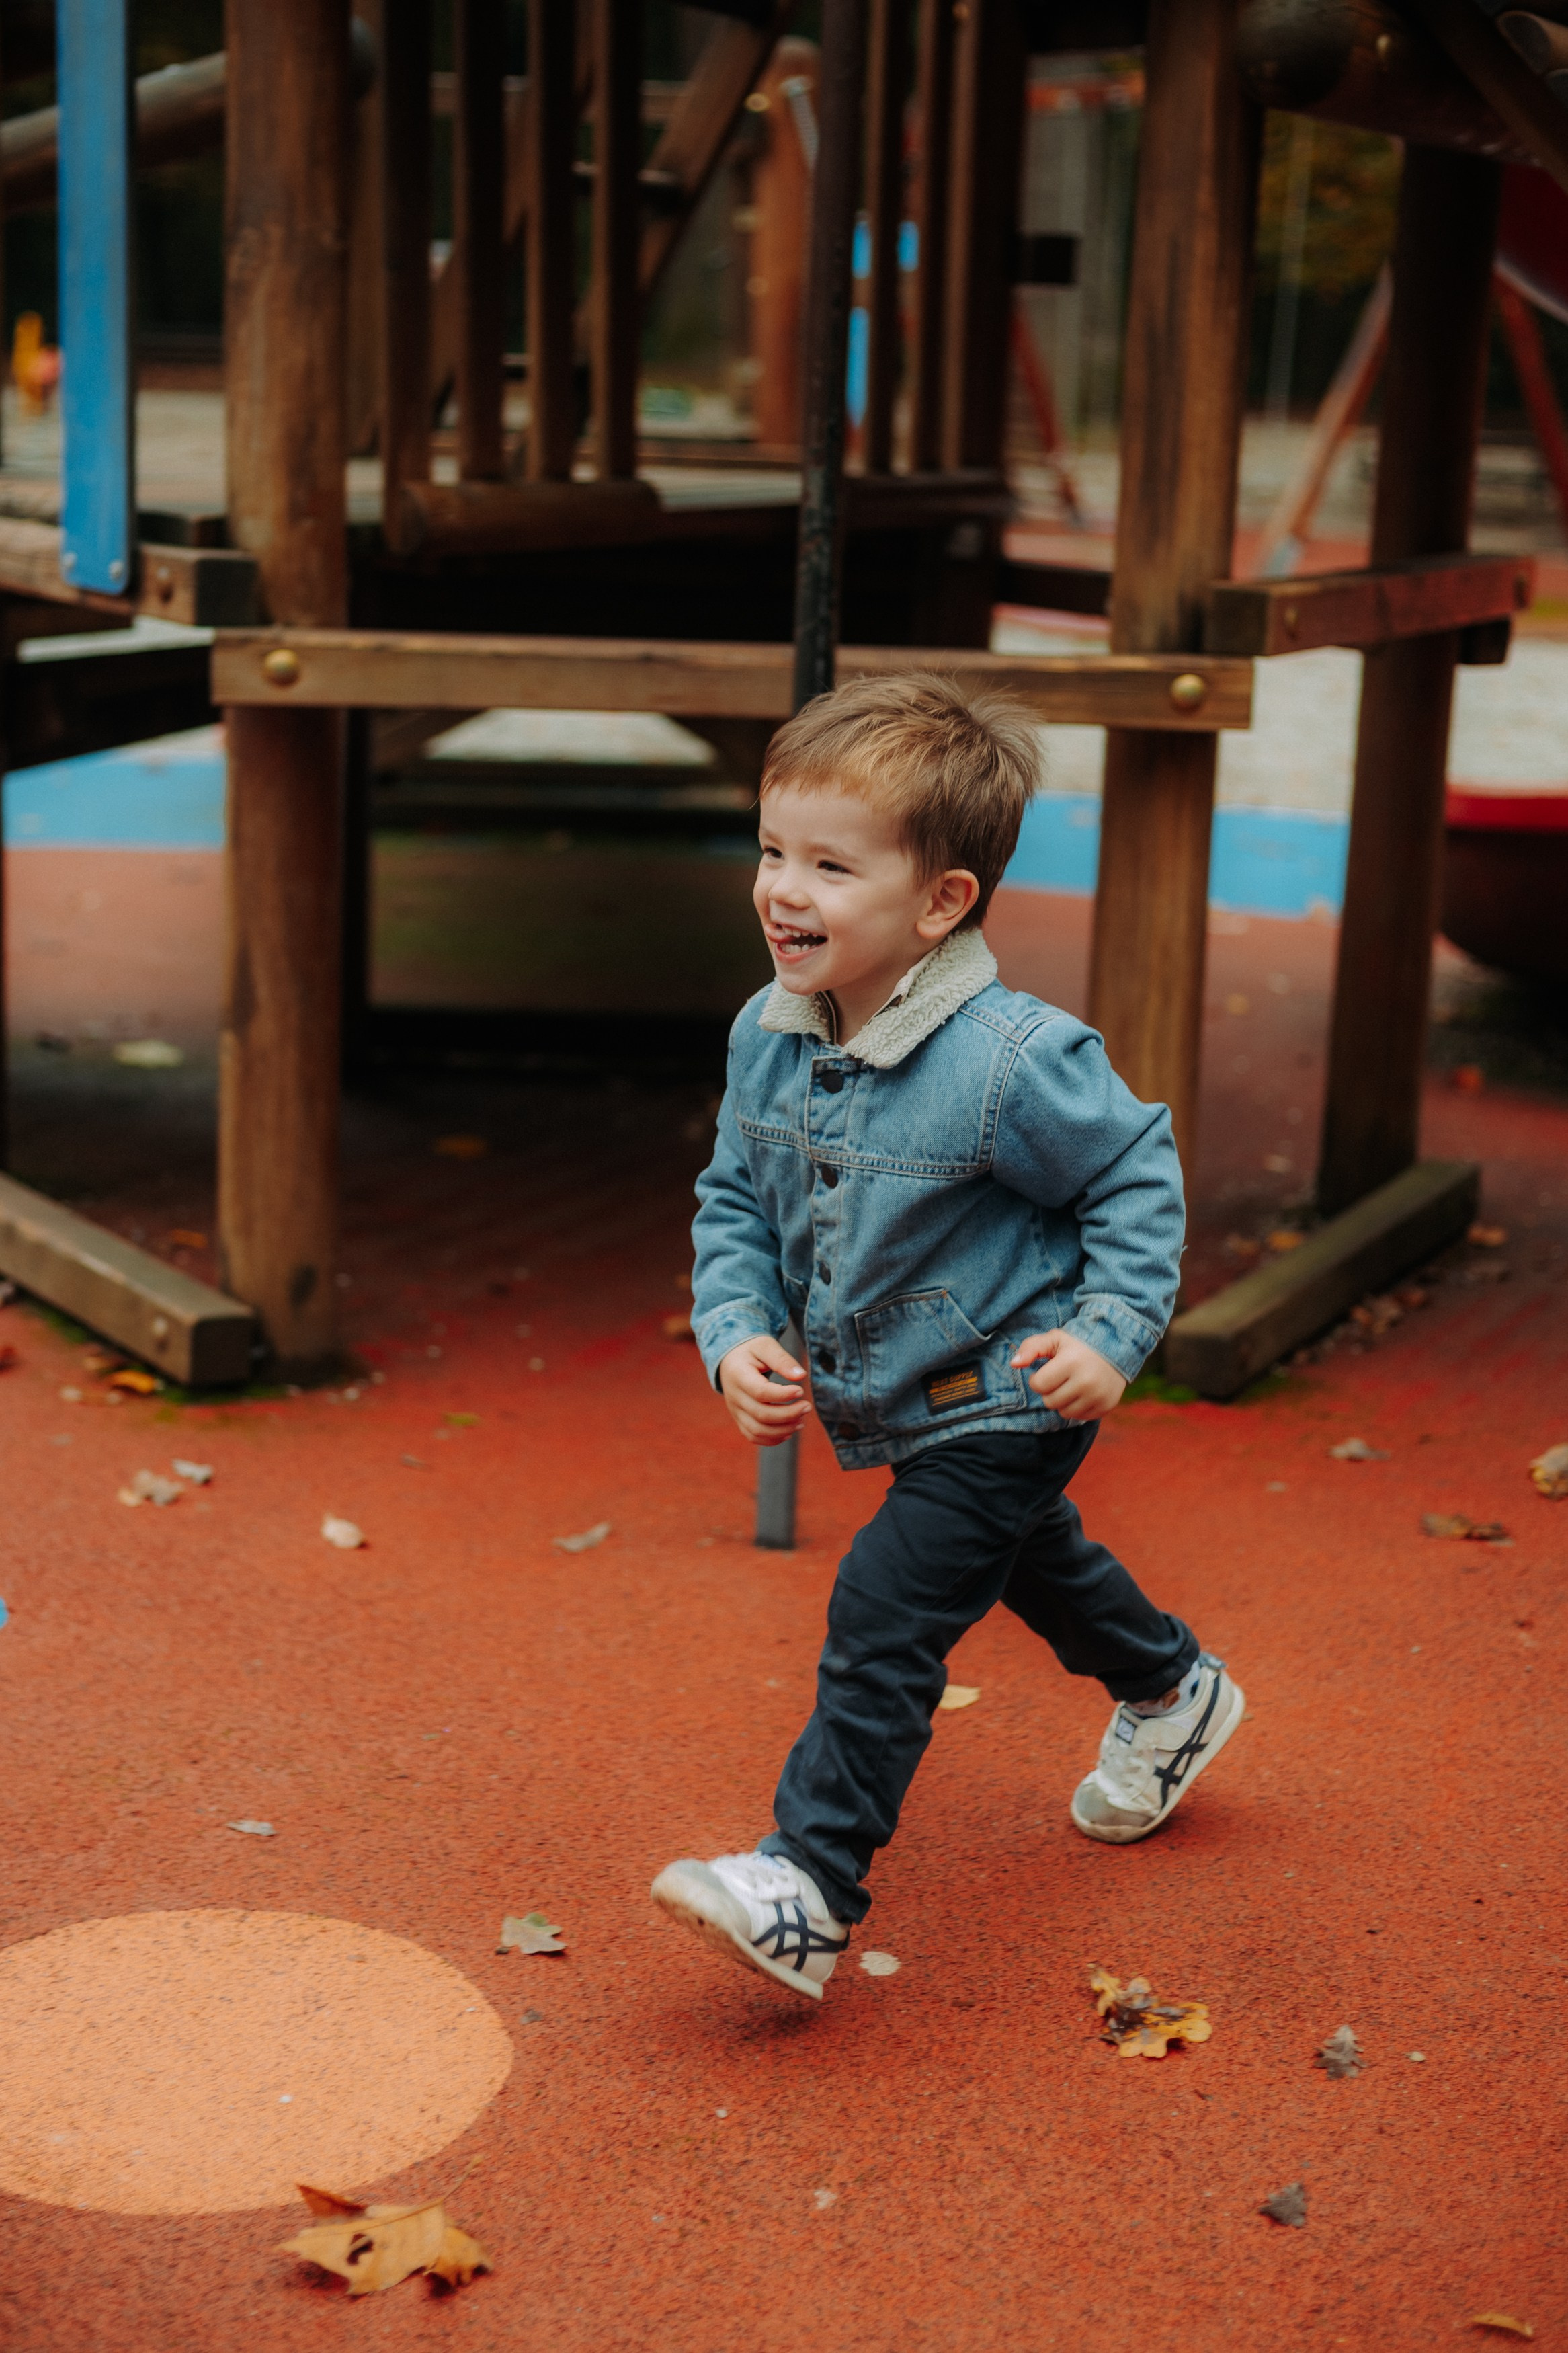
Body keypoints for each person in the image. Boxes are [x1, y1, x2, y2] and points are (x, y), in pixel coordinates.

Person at [651, 673, 1242, 2000]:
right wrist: (736, 1323)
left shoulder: (1006, 1061)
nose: (781, 890)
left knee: (886, 1610)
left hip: (1013, 1393)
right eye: (770, 850)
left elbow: (1134, 1174)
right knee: (1035, 1564)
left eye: (829, 865)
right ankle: (1173, 1688)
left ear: (940, 903)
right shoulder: (768, 1034)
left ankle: (810, 1882)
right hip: (908, 1398)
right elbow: (736, 1194)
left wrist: (1112, 1329)